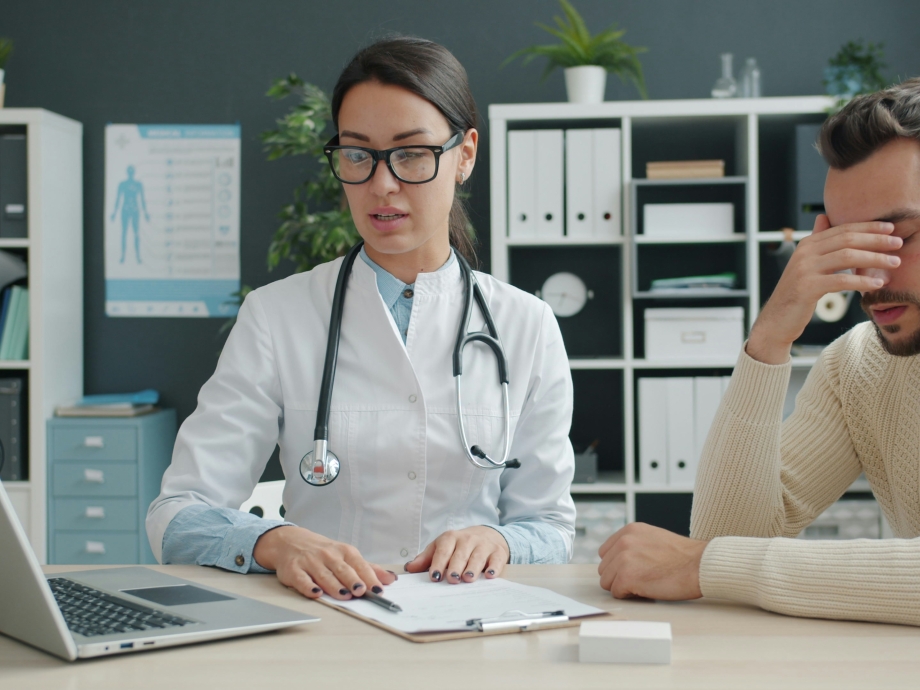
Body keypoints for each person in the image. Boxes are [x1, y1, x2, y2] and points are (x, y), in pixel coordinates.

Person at [146, 36, 576, 602]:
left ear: (465, 155)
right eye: (357, 154)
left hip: (469, 619)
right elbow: (177, 514)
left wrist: (499, 540)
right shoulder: (276, 316)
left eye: (411, 153)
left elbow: (550, 528)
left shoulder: (528, 325)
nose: (381, 184)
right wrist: (274, 541)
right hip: (324, 621)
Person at [597, 78, 920, 627]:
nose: (869, 277)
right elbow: (727, 535)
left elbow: (713, 559)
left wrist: (708, 566)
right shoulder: (856, 366)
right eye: (846, 241)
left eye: (899, 238)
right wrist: (770, 339)